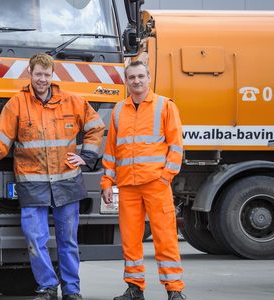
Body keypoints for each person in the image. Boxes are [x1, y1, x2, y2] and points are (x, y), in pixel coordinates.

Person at [0, 53, 104, 300]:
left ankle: (72, 291)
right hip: (33, 185)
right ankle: (47, 287)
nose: (42, 79)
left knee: (68, 241)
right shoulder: (17, 104)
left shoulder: (72, 101)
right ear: (29, 73)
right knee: (35, 239)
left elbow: (96, 127)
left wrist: (88, 157)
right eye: (38, 74)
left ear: (53, 76)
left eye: (47, 75)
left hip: (67, 183)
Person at [100, 61, 186, 300]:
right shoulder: (119, 110)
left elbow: (176, 147)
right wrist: (107, 182)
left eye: (140, 76)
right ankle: (135, 288)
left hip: (155, 184)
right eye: (131, 77)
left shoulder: (165, 106)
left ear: (149, 78)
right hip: (127, 186)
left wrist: (165, 177)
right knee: (130, 240)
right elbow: (111, 152)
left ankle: (174, 290)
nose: (136, 81)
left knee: (165, 237)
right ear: (126, 81)